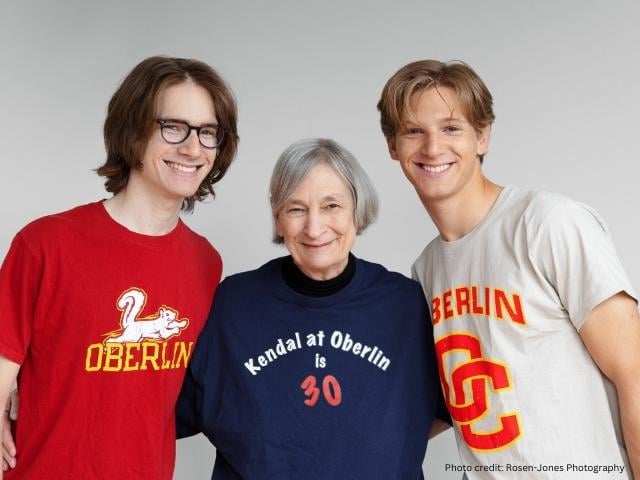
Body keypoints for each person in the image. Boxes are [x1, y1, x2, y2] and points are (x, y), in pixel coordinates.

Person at [378, 60, 640, 478]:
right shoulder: (426, 270)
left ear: (482, 136)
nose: (432, 147)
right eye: (414, 131)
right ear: (393, 147)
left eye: (451, 128)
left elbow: (635, 374)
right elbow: (452, 403)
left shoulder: (547, 224)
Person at [0, 55, 238, 479]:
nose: (192, 147)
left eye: (208, 132)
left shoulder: (205, 262)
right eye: (173, 126)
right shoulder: (45, 245)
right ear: (132, 131)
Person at [176, 138, 449, 479]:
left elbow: (446, 408)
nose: (314, 228)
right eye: (296, 209)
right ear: (277, 216)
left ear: (357, 208)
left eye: (332, 205)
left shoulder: (406, 306)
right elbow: (170, 407)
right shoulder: (231, 305)